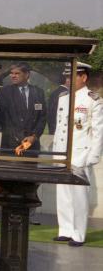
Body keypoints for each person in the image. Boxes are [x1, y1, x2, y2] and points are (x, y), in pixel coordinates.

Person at [53, 62, 103, 247]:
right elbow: (60, 128)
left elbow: (98, 131)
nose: (68, 79)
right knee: (63, 193)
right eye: (67, 76)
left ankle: (78, 234)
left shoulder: (93, 99)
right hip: (62, 154)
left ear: (84, 77)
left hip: (80, 154)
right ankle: (65, 230)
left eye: (72, 75)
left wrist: (93, 156)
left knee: (79, 196)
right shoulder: (63, 98)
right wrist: (56, 152)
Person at [0, 62, 46, 157]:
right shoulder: (5, 92)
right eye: (11, 73)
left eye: (17, 73)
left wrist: (34, 137)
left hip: (32, 146)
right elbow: (4, 119)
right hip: (11, 145)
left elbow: (42, 117)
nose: (13, 76)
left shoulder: (38, 92)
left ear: (27, 74)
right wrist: (20, 139)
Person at [48, 65, 71, 134]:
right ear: (67, 80)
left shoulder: (54, 93)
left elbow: (50, 113)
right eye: (70, 78)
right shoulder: (66, 94)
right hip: (62, 129)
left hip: (54, 127)